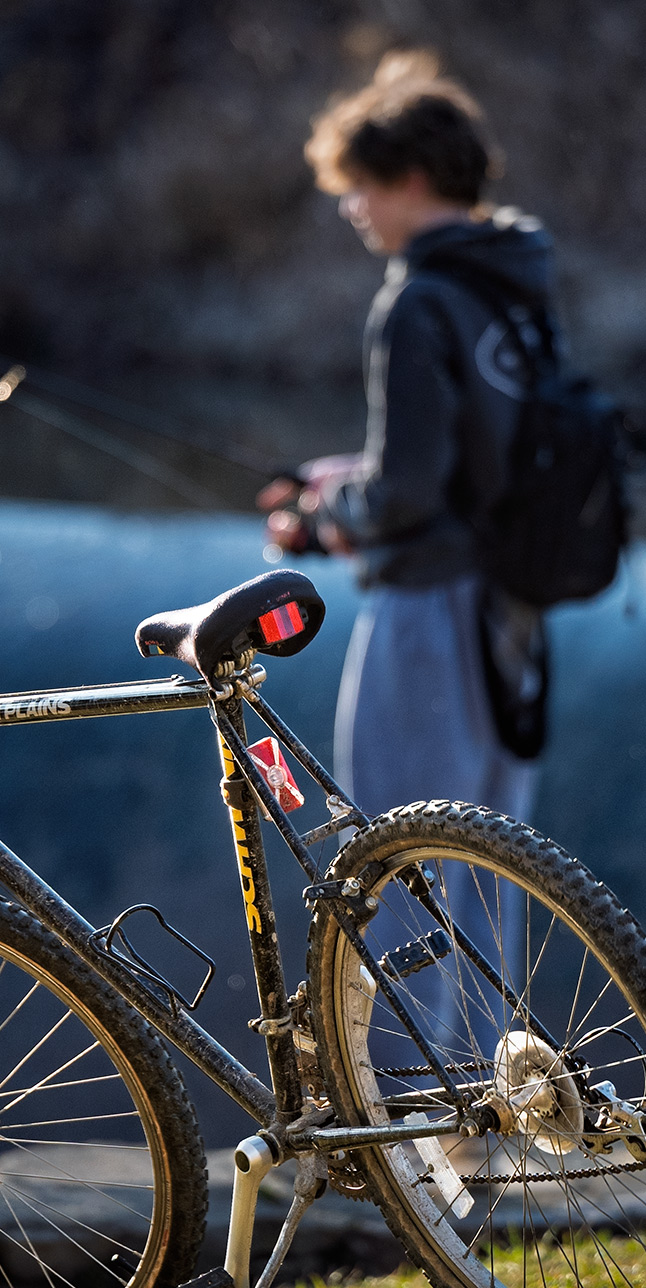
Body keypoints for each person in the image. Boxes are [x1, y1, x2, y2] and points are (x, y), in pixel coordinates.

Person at [263, 48, 551, 838]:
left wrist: (326, 517)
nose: (354, 208)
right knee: (495, 871)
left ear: (413, 180)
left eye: (362, 186)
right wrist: (352, 479)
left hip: (430, 608)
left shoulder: (419, 303)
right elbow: (479, 455)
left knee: (405, 860)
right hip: (514, 611)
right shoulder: (516, 285)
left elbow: (408, 492)